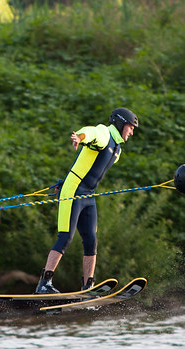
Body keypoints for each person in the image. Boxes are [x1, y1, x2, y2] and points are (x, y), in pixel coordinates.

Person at [36, 108, 139, 294]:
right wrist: (80, 137)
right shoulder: (104, 133)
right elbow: (90, 133)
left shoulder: (117, 150)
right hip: (74, 189)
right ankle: (44, 283)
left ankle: (88, 287)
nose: (131, 132)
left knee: (91, 241)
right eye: (130, 127)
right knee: (65, 237)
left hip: (89, 195)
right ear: (120, 123)